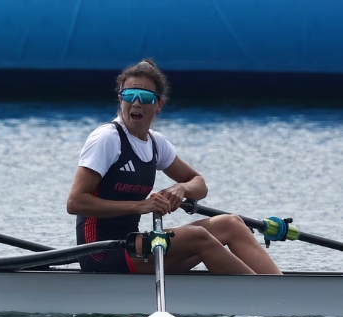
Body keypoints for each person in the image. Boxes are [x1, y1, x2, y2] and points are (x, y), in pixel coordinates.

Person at [66, 59, 281, 275]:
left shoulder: (156, 143)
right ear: (120, 99)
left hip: (134, 246)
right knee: (198, 236)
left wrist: (181, 189)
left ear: (159, 104)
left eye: (147, 97)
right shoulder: (107, 139)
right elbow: (75, 202)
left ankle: (280, 289)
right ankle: (269, 298)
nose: (137, 103)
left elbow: (199, 184)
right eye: (129, 95)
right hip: (100, 252)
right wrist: (139, 206)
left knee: (232, 224)